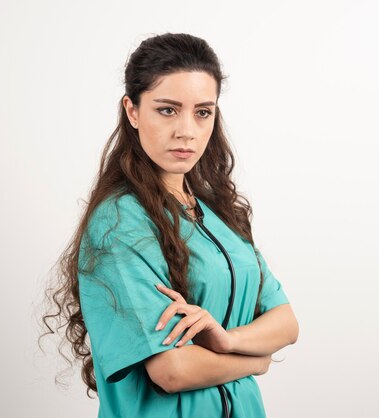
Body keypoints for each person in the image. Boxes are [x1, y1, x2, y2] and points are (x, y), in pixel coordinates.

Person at [40, 32, 299, 418]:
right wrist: (254, 361)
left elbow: (286, 323)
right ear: (132, 111)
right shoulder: (120, 223)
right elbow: (172, 371)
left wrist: (227, 341)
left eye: (203, 112)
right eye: (167, 110)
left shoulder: (218, 212)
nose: (187, 131)